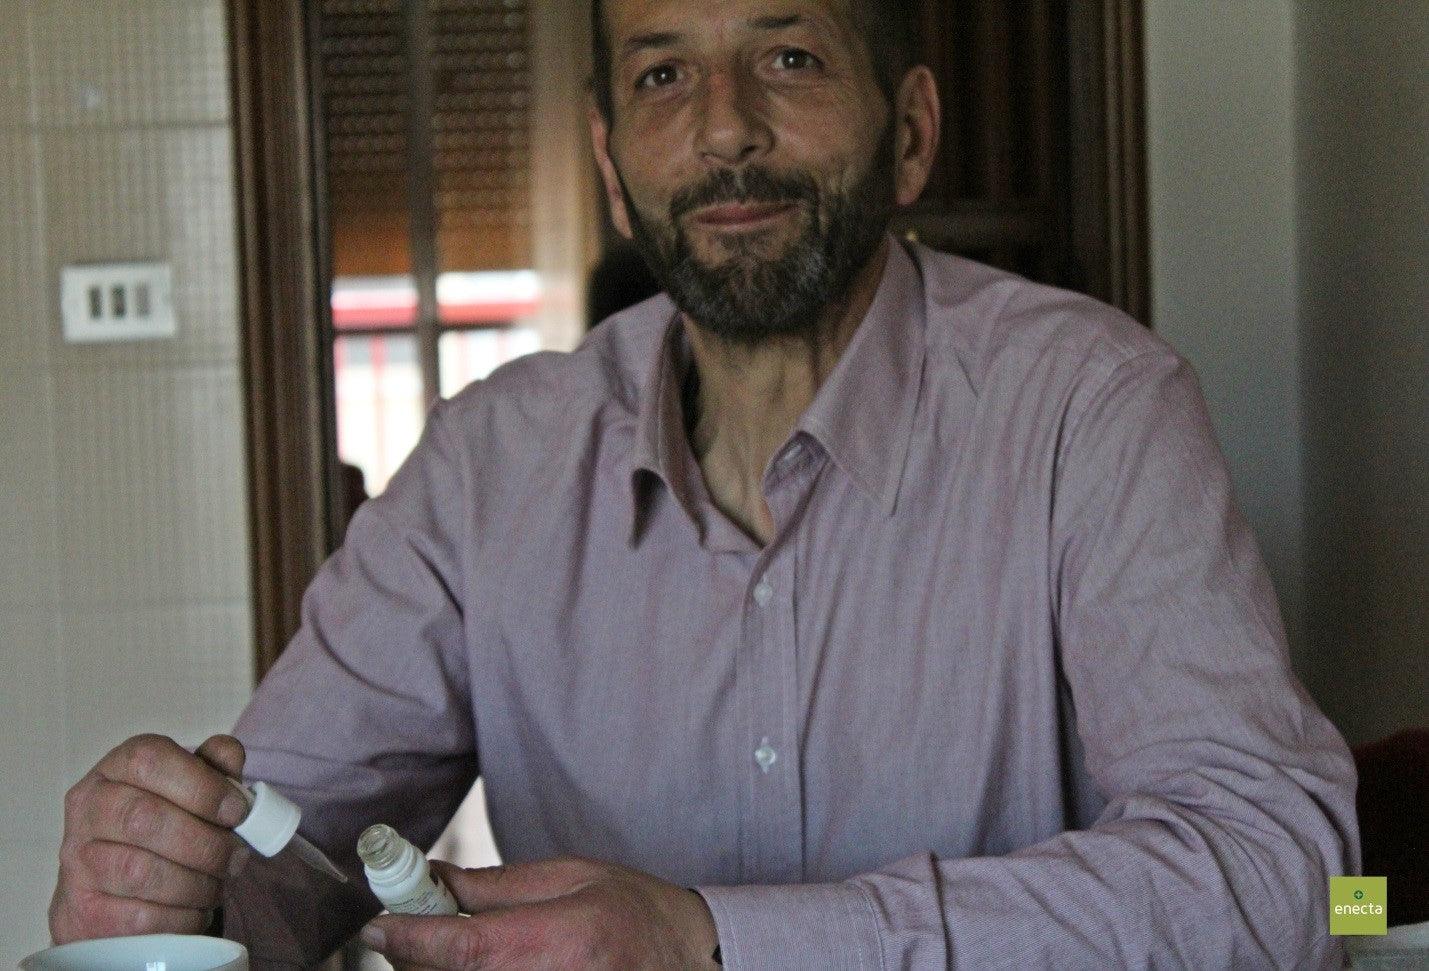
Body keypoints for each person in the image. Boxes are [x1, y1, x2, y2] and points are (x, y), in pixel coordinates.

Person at [49, 0, 1359, 967]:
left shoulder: (1093, 408)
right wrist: (171, 896)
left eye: (788, 58)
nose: (723, 125)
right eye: (663, 72)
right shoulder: (483, 470)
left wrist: (714, 943)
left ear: (909, 134)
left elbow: (1279, 880)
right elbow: (290, 865)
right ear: (612, 161)